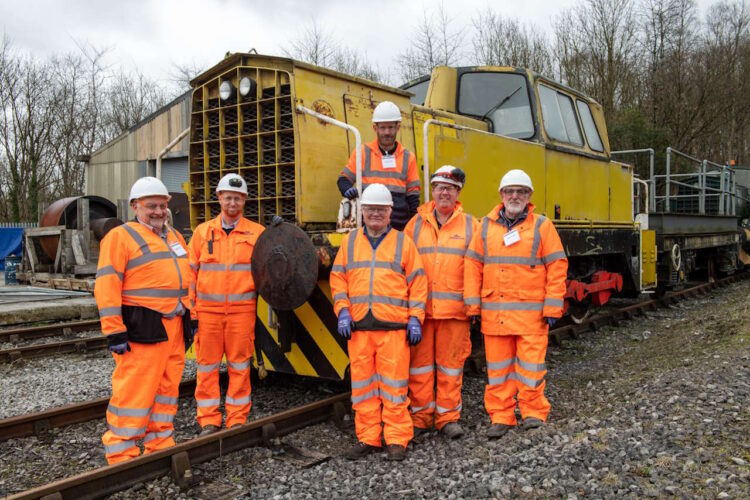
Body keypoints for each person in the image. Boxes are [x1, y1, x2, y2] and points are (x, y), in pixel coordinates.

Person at [464, 169, 567, 439]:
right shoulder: (484, 226)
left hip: (530, 316)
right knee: (498, 371)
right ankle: (501, 416)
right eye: (510, 191)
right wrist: (473, 306)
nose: (514, 196)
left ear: (529, 196)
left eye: (521, 191)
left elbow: (557, 265)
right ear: (501, 195)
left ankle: (533, 412)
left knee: (531, 367)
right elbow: (472, 266)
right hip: (495, 315)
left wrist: (553, 305)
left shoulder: (542, 226)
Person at [94, 176, 191, 464]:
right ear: (136, 206)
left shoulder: (174, 236)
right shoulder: (120, 237)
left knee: (167, 388)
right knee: (134, 391)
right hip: (142, 326)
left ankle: (160, 442)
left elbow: (187, 280)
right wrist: (114, 332)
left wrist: (192, 316)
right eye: (152, 206)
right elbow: (107, 285)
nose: (159, 211)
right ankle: (121, 453)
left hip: (173, 326)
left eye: (162, 205)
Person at [330, 183, 428, 461]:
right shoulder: (349, 242)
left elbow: (418, 283)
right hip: (360, 329)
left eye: (381, 210)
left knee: (395, 389)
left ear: (389, 212)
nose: (375, 214)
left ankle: (397, 439)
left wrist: (415, 319)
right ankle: (369, 438)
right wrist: (343, 311)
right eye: (370, 209)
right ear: (363, 212)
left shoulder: (403, 242)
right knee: (363, 389)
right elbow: (338, 279)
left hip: (394, 330)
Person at [403, 165, 480, 440]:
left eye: (449, 188)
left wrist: (475, 307)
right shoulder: (414, 225)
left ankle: (448, 418)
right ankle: (421, 417)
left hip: (455, 312)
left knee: (450, 367)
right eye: (439, 187)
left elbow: (479, 267)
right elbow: (405, 266)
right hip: (421, 313)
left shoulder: (472, 225)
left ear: (457, 192)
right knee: (419, 368)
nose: (444, 192)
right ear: (432, 192)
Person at [187, 173, 265, 435]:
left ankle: (236, 419)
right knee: (206, 367)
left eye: (238, 198)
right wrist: (192, 311)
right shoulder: (202, 233)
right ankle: (208, 419)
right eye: (228, 197)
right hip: (208, 314)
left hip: (242, 313)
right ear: (219, 198)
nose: (233, 202)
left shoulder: (257, 234)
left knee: (240, 367)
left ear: (244, 201)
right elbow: (190, 274)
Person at [336, 101, 420, 230]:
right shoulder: (362, 152)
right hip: (368, 225)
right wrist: (347, 189)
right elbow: (343, 179)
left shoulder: (409, 157)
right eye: (383, 128)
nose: (387, 132)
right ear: (375, 128)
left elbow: (413, 198)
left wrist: (414, 226)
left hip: (399, 226)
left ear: (398, 127)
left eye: (391, 127)